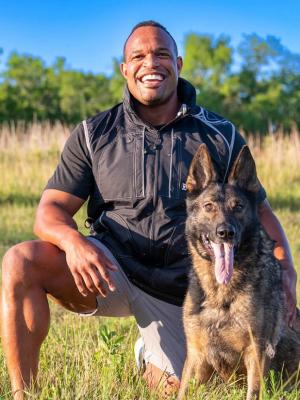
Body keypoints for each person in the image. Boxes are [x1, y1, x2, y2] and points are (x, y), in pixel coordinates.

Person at [1, 20, 297, 399]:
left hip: (182, 289)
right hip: (109, 269)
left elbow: (261, 213)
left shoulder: (218, 134)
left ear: (179, 63)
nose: (150, 63)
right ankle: (22, 394)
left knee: (182, 389)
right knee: (19, 261)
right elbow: (50, 210)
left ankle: (150, 351)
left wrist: (286, 268)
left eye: (161, 54)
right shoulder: (95, 133)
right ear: (124, 69)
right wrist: (73, 241)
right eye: (137, 56)